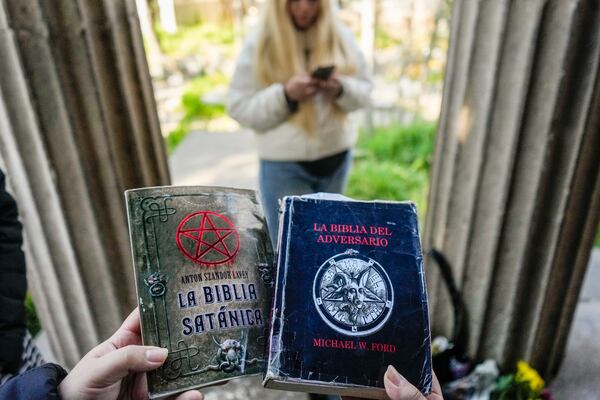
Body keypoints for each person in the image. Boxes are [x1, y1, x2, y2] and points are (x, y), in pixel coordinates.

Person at [227, 0, 372, 244]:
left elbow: (365, 93)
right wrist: (285, 95)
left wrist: (340, 89)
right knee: (288, 249)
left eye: (313, 1)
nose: (304, 7)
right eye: (295, 1)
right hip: (283, 169)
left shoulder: (341, 36)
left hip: (336, 161)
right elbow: (239, 108)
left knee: (330, 249)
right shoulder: (258, 42)